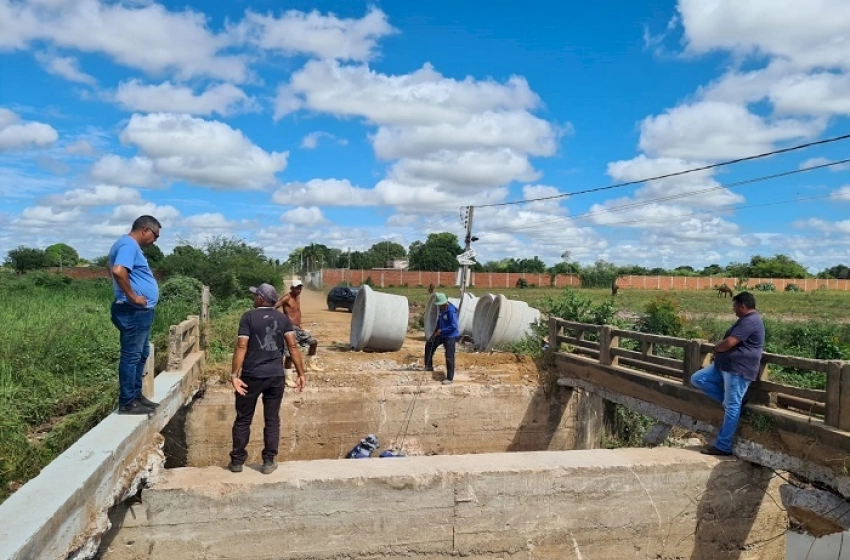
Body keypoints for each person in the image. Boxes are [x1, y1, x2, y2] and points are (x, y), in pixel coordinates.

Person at [229, 283, 306, 474]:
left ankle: (237, 462)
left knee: (243, 419)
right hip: (275, 376)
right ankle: (269, 462)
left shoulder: (248, 317)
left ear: (261, 298)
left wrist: (234, 375)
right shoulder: (283, 319)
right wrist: (301, 373)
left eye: (256, 295)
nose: (254, 298)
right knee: (272, 420)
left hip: (251, 376)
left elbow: (242, 346)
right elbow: (293, 347)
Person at [690, 291, 764, 456]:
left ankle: (723, 446)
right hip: (724, 367)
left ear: (742, 306)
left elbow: (730, 342)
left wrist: (716, 348)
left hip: (738, 369)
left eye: (735, 306)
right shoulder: (744, 320)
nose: (733, 309)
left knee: (732, 406)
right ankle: (733, 402)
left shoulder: (751, 321)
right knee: (698, 379)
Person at [108, 215, 162, 415]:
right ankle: (127, 402)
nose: (155, 240)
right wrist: (132, 296)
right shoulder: (129, 245)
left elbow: (110, 267)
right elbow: (118, 270)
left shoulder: (126, 245)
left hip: (138, 312)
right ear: (145, 230)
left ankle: (136, 396)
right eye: (155, 235)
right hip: (133, 310)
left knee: (141, 354)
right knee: (132, 356)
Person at [274, 280, 324, 374]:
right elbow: (274, 307)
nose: (299, 290)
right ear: (291, 288)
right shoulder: (287, 297)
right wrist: (279, 320)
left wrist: (300, 323)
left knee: (313, 342)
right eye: (297, 288)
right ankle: (288, 376)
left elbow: (298, 311)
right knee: (289, 354)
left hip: (297, 328)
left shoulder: (298, 297)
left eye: (300, 288)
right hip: (289, 329)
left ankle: (310, 364)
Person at [424, 292, 460, 385]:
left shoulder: (451, 311)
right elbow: (439, 321)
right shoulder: (442, 308)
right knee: (429, 344)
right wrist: (434, 333)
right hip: (441, 334)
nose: (439, 306)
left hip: (450, 336)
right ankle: (428, 366)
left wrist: (442, 330)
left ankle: (450, 378)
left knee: (449, 356)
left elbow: (454, 326)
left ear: (445, 302)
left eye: (441, 304)